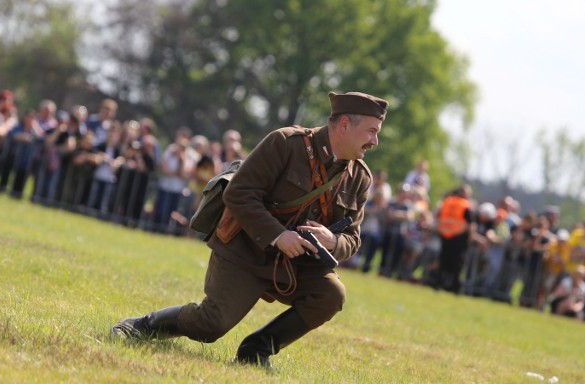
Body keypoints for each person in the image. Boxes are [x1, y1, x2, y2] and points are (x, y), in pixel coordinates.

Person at [111, 91, 389, 368]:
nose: (375, 141)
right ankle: (142, 325)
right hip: (246, 249)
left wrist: (331, 240)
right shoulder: (286, 143)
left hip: (296, 265)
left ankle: (256, 351)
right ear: (344, 125)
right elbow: (238, 194)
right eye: (372, 131)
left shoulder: (360, 178)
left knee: (332, 294)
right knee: (210, 325)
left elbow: (352, 238)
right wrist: (278, 235)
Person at [431, 184, 474, 294]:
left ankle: (438, 283)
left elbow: (438, 216)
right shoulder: (465, 205)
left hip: (445, 235)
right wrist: (470, 237)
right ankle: (455, 287)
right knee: (457, 263)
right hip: (459, 237)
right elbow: (470, 224)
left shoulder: (447, 201)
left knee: (443, 260)